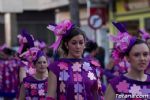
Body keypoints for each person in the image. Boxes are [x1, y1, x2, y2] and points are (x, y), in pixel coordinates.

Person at [46, 20, 103, 100]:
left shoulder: (93, 66)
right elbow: (50, 97)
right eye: (74, 43)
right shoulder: (55, 68)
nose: (78, 46)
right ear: (66, 45)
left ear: (84, 45)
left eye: (81, 43)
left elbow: (98, 95)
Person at [105, 22, 150, 100]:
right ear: (127, 58)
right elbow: (106, 71)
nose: (142, 58)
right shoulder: (115, 84)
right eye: (136, 55)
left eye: (145, 54)